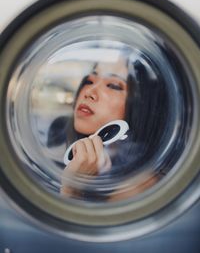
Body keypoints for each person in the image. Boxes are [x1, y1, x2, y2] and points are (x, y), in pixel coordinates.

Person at [60, 50, 168, 199]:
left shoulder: (141, 184)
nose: (89, 92)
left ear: (142, 106)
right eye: (89, 81)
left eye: (113, 85)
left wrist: (72, 190)